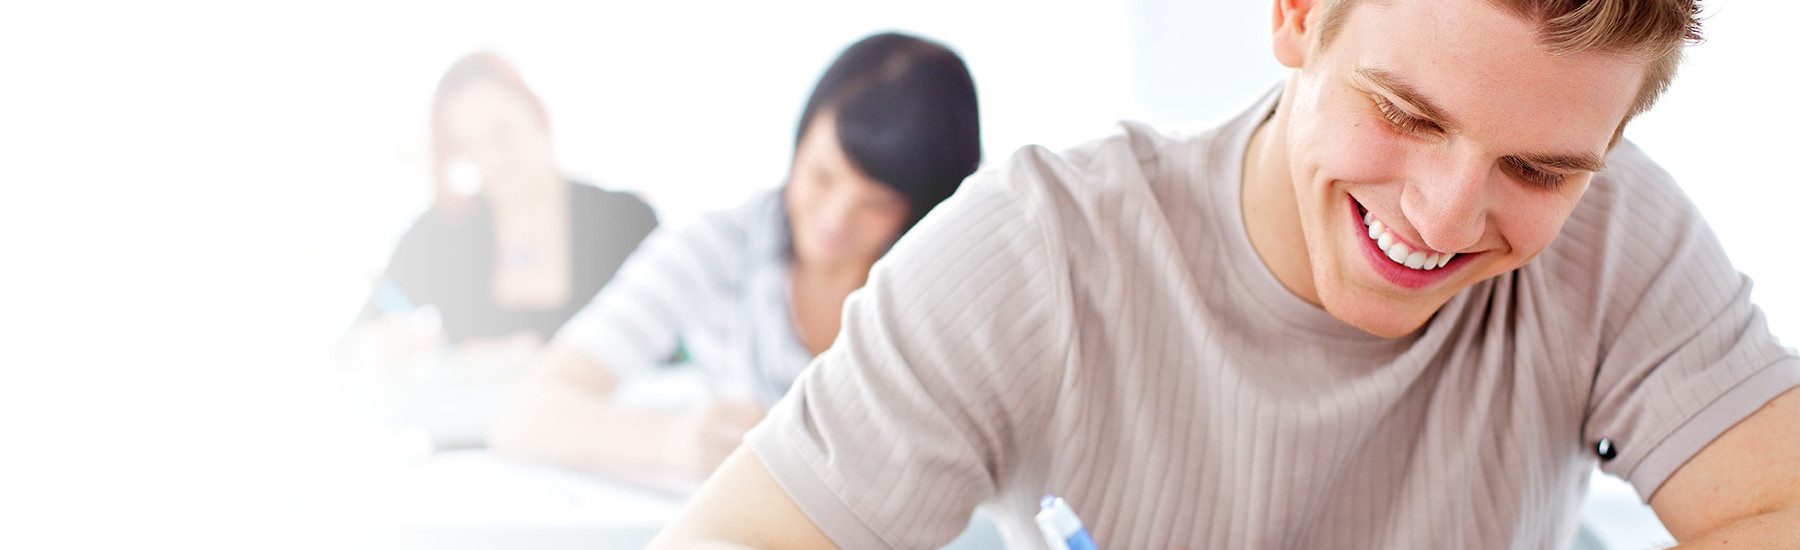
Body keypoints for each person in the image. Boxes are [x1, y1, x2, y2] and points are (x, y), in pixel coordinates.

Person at [651, 1, 1800, 548]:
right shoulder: (1038, 255)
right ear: (1296, 16)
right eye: (1404, 114)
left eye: (1538, 170)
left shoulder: (1618, 231)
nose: (1445, 216)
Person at [490, 32, 984, 485]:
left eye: (877, 204)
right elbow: (525, 417)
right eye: (822, 175)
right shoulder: (717, 248)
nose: (834, 220)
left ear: (924, 207)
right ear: (799, 143)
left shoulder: (950, 288)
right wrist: (672, 441)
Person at [342, 52, 658, 370]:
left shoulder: (626, 221)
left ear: (536, 114)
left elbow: (674, 348)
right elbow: (352, 342)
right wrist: (381, 343)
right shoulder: (443, 231)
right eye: (468, 145)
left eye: (502, 133)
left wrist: (541, 357)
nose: (491, 158)